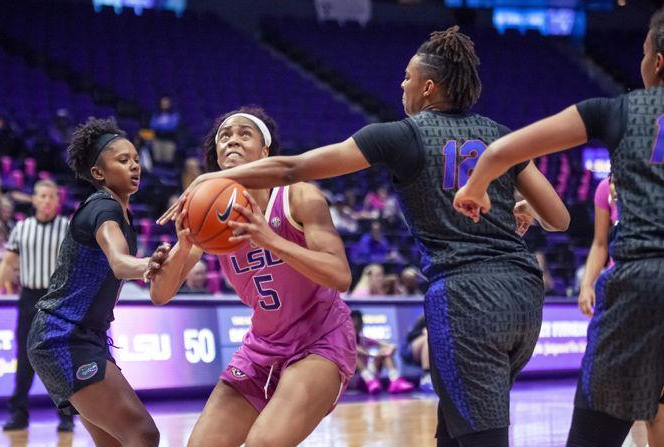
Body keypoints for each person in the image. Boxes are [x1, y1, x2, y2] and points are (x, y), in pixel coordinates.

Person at [161, 26, 570, 446]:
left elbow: (292, 168)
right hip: (524, 294)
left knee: (481, 435)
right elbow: (558, 218)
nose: (402, 84)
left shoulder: (400, 135)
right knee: (458, 426)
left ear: (428, 87)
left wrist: (212, 177)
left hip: (466, 294)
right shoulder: (500, 133)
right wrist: (527, 211)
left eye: (408, 78)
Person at [453, 8, 664, 447]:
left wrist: (474, 188)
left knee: (594, 437)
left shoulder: (619, 110)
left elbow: (502, 150)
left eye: (643, 51)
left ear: (657, 62)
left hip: (642, 283)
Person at [150, 107, 357, 447]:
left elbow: (340, 275)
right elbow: (160, 294)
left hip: (320, 339)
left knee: (265, 443)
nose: (232, 140)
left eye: (244, 134)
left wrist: (270, 239)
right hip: (262, 346)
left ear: (265, 152)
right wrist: (186, 241)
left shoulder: (298, 195)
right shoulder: (208, 210)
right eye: (224, 136)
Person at [26, 118, 165, 446]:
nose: (134, 166)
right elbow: (119, 262)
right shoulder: (103, 208)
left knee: (115, 442)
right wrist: (147, 263)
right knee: (143, 433)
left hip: (81, 336)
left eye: (134, 158)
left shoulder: (118, 211)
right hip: (61, 337)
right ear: (98, 173)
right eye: (122, 160)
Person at [0, 180, 72, 432]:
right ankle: (19, 415)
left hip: (56, 298)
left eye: (51, 196)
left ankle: (66, 417)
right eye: (42, 196)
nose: (46, 200)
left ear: (56, 201)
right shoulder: (22, 228)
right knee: (25, 357)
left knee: (59, 358)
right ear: (34, 200)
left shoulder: (66, 227)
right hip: (28, 298)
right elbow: (7, 263)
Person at [577, 175, 617, 317]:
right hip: (617, 283)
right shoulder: (607, 187)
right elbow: (600, 244)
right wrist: (586, 285)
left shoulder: (655, 184)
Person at [350, 310, 415, 394]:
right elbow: (356, 350)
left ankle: (395, 380)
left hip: (371, 380)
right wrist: (373, 355)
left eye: (359, 323)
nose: (357, 325)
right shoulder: (345, 340)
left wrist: (390, 350)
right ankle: (369, 380)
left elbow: (389, 345)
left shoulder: (364, 339)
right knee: (355, 356)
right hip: (354, 379)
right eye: (354, 323)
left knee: (385, 351)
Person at [402, 314, 432, 392]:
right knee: (428, 336)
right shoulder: (425, 317)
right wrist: (423, 332)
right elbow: (410, 336)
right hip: (410, 351)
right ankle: (426, 377)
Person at [150, 95, 180, 164]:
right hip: (157, 140)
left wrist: (160, 126)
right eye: (163, 103)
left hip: (169, 140)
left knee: (168, 161)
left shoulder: (174, 115)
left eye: (166, 103)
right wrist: (165, 126)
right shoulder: (156, 114)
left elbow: (172, 127)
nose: (165, 104)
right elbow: (153, 126)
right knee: (157, 160)